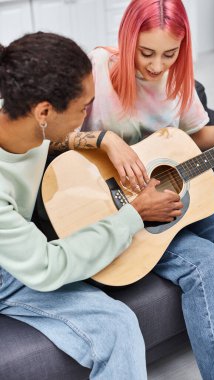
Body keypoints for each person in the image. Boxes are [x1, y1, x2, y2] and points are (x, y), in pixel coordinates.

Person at [77, 0, 214, 379]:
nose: (157, 66)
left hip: (178, 198)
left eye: (169, 54)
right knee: (208, 264)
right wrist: (105, 139)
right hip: (123, 213)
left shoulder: (178, 80)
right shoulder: (95, 69)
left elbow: (197, 136)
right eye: (146, 53)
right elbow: (55, 138)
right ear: (127, 40)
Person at [0, 31, 181, 380]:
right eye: (84, 109)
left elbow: (56, 137)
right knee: (117, 323)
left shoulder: (19, 115)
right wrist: (134, 215)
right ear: (44, 112)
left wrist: (102, 137)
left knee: (118, 323)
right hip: (11, 273)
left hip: (17, 250)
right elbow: (47, 267)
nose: (89, 115)